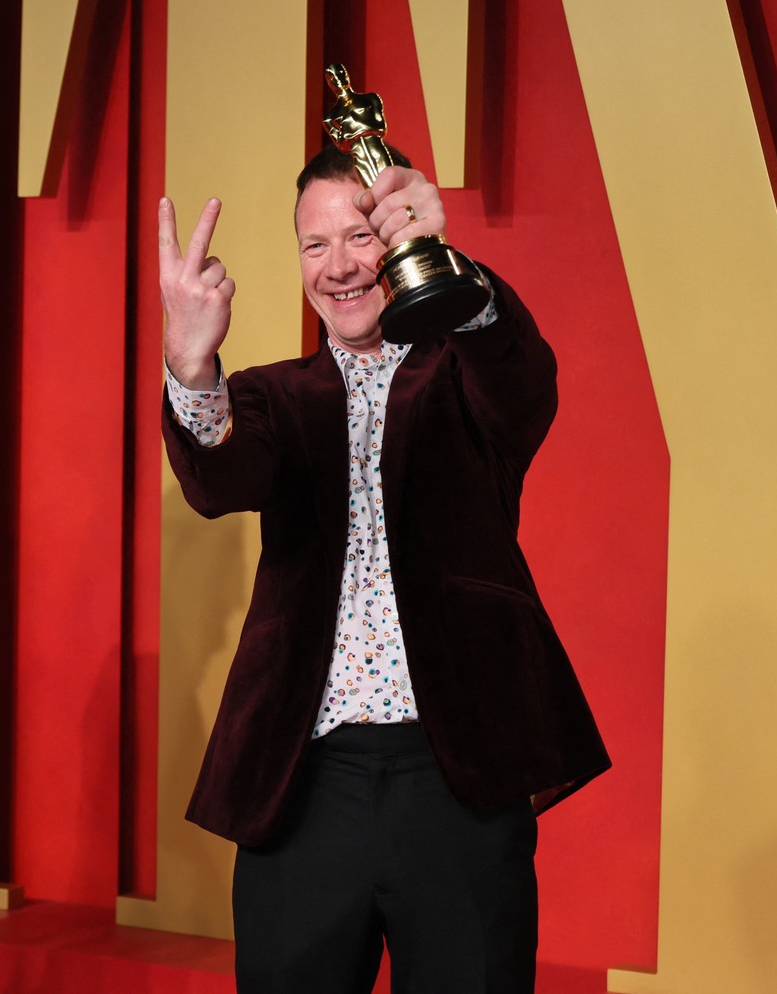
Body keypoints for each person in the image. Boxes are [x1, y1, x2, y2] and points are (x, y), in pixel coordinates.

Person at [158, 144, 610, 992]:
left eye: (358, 236)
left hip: (459, 781)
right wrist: (190, 366)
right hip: (306, 784)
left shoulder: (465, 378)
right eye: (313, 245)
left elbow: (524, 383)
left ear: (398, 235)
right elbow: (220, 480)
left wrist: (451, 270)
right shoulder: (270, 396)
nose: (337, 268)